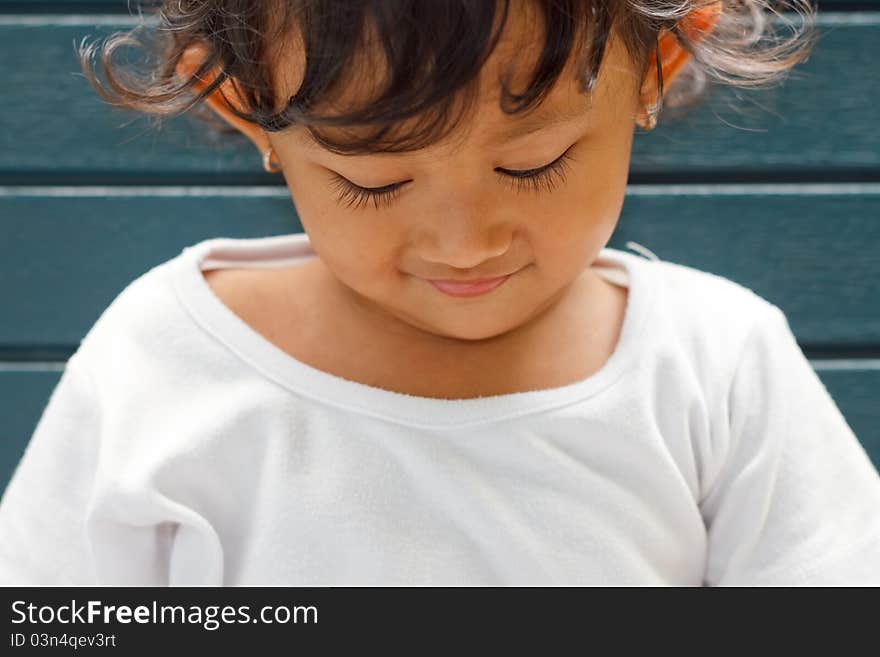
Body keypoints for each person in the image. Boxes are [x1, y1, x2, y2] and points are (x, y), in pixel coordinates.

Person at [1, 0, 878, 586]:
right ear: (238, 102)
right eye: (375, 182)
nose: (466, 244)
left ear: (656, 66)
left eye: (533, 164)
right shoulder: (163, 361)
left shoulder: (715, 362)